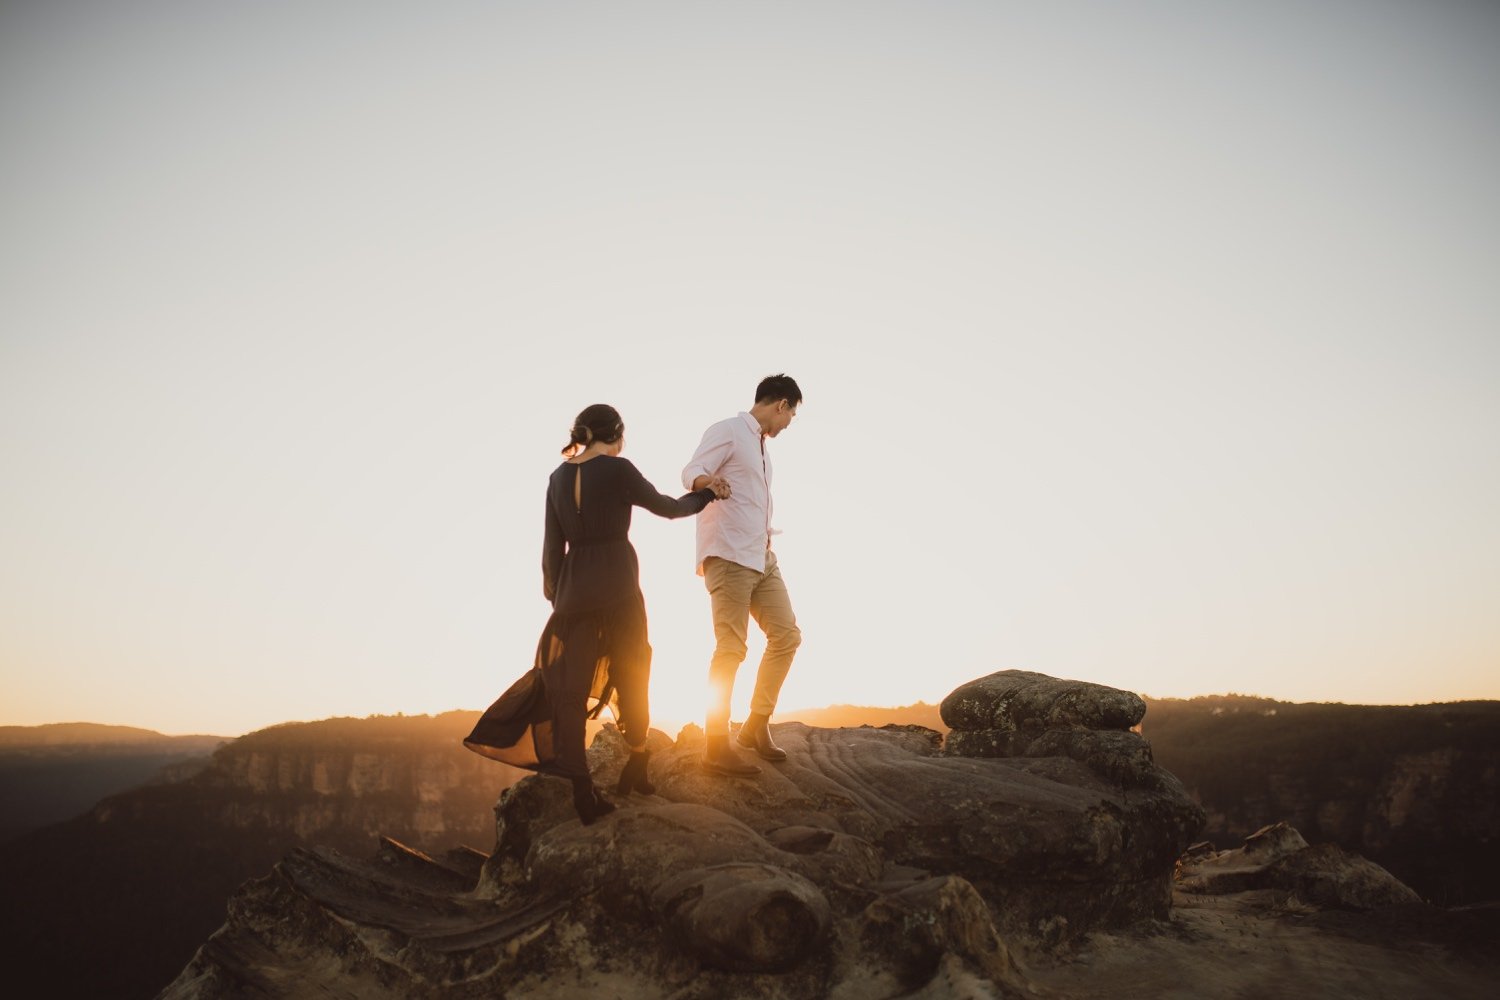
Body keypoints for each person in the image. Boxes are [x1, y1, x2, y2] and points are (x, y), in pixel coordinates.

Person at [465, 404, 723, 824]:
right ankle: (637, 760)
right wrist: (708, 493)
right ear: (616, 433)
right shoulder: (619, 470)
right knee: (633, 668)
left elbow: (551, 550)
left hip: (573, 595)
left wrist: (558, 597)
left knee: (569, 689)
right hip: (618, 588)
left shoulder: (557, 477)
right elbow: (670, 508)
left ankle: (583, 791)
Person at [682, 374, 803, 777]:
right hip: (729, 554)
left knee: (787, 636)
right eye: (791, 415)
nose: (788, 425)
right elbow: (691, 470)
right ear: (781, 405)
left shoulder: (763, 448)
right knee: (731, 648)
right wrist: (707, 482)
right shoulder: (729, 431)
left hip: (762, 557)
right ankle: (716, 744)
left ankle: (755, 726)